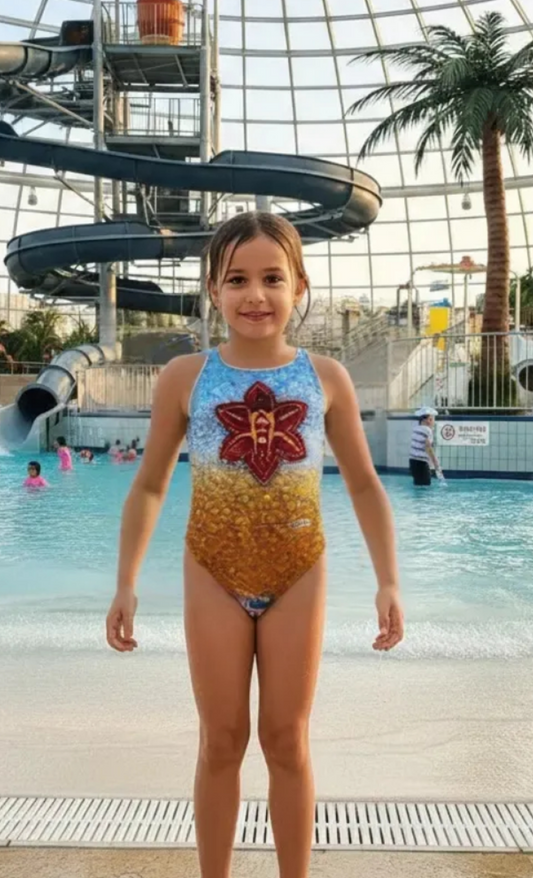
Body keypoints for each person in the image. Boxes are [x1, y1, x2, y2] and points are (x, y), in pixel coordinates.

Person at [106, 212, 404, 878]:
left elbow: (361, 484)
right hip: (211, 566)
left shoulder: (325, 376)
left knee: (285, 741)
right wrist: (125, 582)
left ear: (299, 286)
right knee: (220, 741)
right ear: (212, 289)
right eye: (236, 279)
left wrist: (387, 580)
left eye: (272, 278)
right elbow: (151, 486)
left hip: (299, 567)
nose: (255, 295)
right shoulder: (185, 376)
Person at [409, 406, 443, 486]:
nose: (433, 422)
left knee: (417, 485)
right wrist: (436, 463)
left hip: (412, 461)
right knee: (425, 486)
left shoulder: (416, 429)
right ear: (428, 420)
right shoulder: (427, 430)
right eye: (432, 419)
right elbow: (428, 447)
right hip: (422, 463)